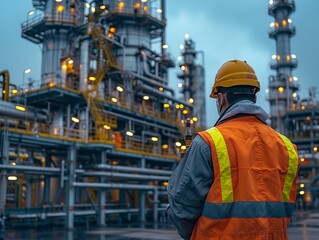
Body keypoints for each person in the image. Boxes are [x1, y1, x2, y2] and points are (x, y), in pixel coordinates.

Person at [167, 59, 300, 240]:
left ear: (221, 98)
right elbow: (286, 210)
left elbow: (181, 210)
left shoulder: (208, 143)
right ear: (254, 95)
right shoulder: (287, 148)